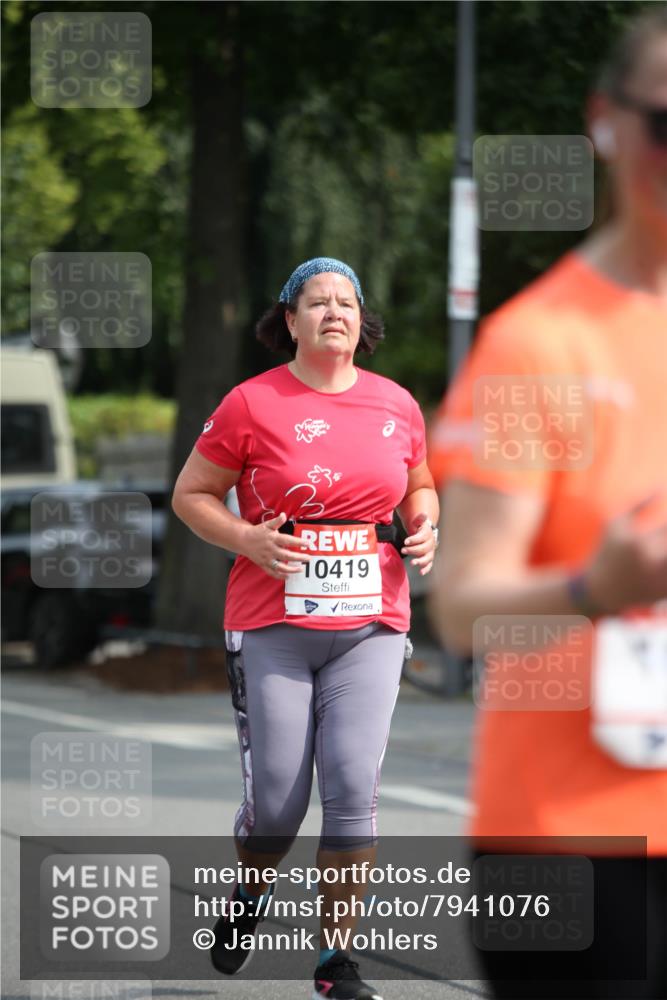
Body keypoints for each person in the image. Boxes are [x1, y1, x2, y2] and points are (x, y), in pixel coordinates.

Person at [429, 9, 667, 1000]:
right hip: (576, 847)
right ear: (605, 123)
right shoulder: (541, 344)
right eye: (666, 123)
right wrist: (590, 586)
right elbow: (458, 605)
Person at [172, 256, 439, 1000]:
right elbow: (192, 494)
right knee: (280, 806)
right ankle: (250, 895)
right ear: (287, 321)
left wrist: (423, 525)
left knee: (353, 786)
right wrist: (247, 540)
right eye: (316, 302)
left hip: (373, 622)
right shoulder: (251, 403)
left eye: (346, 303)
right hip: (271, 624)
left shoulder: (395, 404)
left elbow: (418, 482)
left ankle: (333, 963)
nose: (333, 313)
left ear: (362, 321)